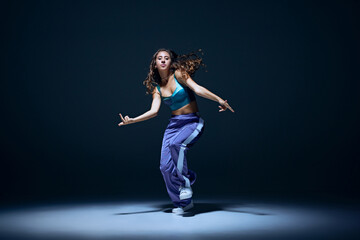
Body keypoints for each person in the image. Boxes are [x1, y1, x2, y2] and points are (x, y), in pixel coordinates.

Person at [118, 48, 234, 215]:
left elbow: (198, 89)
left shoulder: (179, 74)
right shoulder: (157, 88)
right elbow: (154, 111)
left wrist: (220, 100)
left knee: (175, 144)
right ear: (155, 64)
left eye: (167, 58)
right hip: (174, 126)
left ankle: (185, 184)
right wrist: (132, 120)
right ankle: (183, 203)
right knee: (165, 167)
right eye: (160, 58)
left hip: (192, 122)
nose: (163, 60)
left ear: (171, 62)